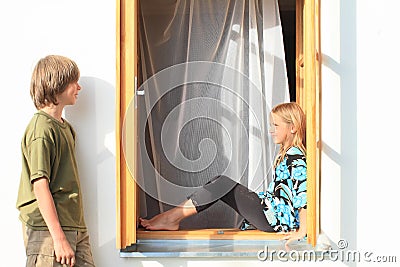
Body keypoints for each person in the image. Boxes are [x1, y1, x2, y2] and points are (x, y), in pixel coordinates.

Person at [139, 102, 307, 246]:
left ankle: (171, 218)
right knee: (218, 182)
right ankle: (171, 218)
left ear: (292, 127)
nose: (271, 130)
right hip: (270, 211)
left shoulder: (296, 157)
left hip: (274, 218)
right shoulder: (287, 155)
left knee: (221, 184)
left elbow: (304, 195)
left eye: (276, 125)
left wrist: (302, 231)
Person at [16, 55, 95, 267]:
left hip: (73, 226)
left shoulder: (65, 128)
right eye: (73, 82)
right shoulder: (41, 129)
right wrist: (58, 239)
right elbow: (40, 186)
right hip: (49, 232)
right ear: (57, 85)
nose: (79, 87)